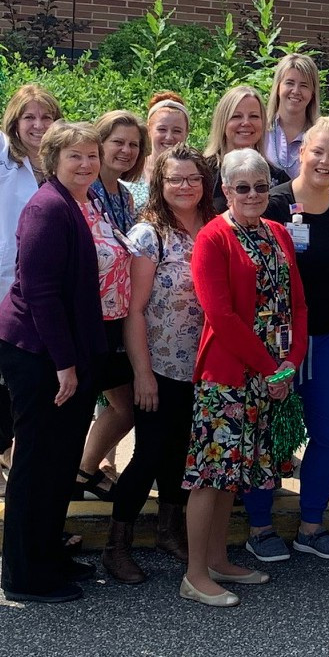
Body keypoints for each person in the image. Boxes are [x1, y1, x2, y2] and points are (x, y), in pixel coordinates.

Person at [182, 148, 307, 607]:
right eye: (242, 187)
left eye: (260, 186)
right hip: (227, 374)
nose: (252, 194)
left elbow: (297, 303)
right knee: (211, 474)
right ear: (226, 191)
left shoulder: (277, 232)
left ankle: (217, 560)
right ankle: (195, 574)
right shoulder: (213, 237)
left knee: (233, 473)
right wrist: (271, 366)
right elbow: (221, 315)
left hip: (268, 374)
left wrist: (291, 362)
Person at [242, 119, 329, 562]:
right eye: (318, 152)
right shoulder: (271, 205)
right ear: (302, 152)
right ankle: (259, 525)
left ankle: (311, 525)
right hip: (272, 344)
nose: (325, 162)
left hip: (326, 338)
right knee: (269, 435)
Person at [0, 121, 107, 604]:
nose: (86, 164)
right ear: (52, 161)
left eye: (91, 155)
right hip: (39, 354)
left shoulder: (77, 202)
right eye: (75, 157)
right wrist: (66, 364)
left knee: (59, 462)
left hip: (64, 353)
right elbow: (40, 293)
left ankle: (48, 554)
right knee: (37, 464)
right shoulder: (46, 208)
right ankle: (24, 575)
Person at [105, 146, 216, 584]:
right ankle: (117, 545)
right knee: (148, 455)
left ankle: (170, 530)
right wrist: (143, 374)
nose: (185, 186)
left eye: (192, 178)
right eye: (175, 179)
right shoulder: (149, 235)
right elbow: (134, 310)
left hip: (204, 366)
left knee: (182, 455)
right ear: (160, 184)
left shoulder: (212, 227)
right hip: (161, 365)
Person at [74, 109, 151, 500]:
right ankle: (81, 472)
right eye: (117, 142)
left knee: (126, 406)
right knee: (116, 405)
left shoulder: (127, 194)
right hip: (90, 319)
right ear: (99, 143)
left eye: (134, 145)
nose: (126, 150)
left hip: (119, 316)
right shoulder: (84, 192)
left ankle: (84, 471)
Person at [0, 85, 63, 494]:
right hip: (6, 286)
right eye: (29, 117)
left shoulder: (63, 164)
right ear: (14, 123)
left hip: (44, 295)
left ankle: (15, 465)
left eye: (46, 117)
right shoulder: (4, 160)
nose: (38, 125)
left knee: (26, 391)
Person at [204, 85, 290, 212]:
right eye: (236, 116)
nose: (246, 123)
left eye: (254, 116)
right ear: (223, 122)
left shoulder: (278, 178)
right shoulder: (202, 173)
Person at [264, 53, 322, 178]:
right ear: (278, 87)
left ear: (312, 93)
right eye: (289, 83)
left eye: (304, 85)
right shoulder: (260, 131)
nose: (296, 91)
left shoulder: (320, 136)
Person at [128, 92, 190, 207]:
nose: (169, 137)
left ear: (186, 133)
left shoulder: (195, 172)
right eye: (162, 129)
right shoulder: (131, 168)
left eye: (177, 131)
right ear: (148, 131)